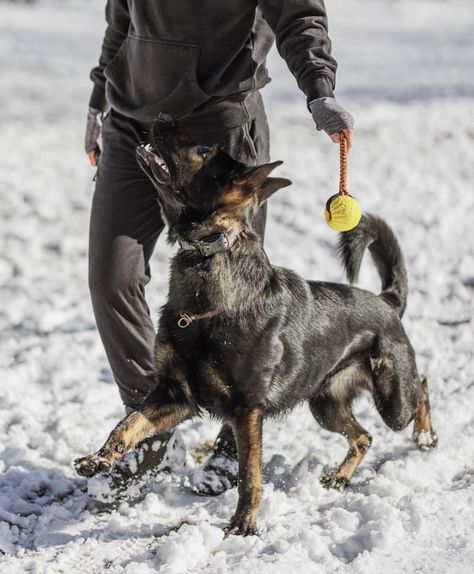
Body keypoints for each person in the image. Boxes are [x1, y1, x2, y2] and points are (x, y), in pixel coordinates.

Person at [85, 0, 354, 495]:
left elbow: (299, 14)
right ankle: (148, 423)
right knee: (112, 278)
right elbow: (122, 16)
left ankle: (234, 447)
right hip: (132, 122)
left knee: (237, 304)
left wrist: (319, 90)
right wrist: (98, 100)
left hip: (218, 132)